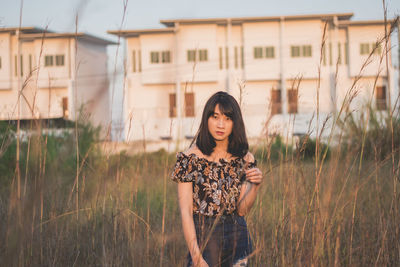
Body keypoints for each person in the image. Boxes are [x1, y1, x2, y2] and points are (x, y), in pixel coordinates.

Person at [170, 91, 263, 267]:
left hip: (237, 236)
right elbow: (186, 211)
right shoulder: (189, 158)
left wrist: (255, 186)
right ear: (207, 119)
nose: (221, 124)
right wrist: (196, 257)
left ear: (235, 123)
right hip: (204, 236)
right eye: (215, 116)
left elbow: (242, 210)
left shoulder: (245, 158)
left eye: (228, 118)